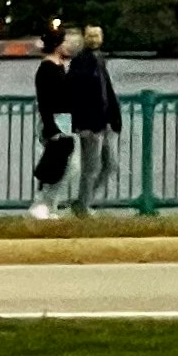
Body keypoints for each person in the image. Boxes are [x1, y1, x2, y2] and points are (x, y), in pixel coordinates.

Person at [66, 24, 124, 215]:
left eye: (97, 35)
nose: (94, 39)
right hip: (89, 123)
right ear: (85, 38)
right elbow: (77, 94)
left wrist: (114, 118)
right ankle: (83, 207)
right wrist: (82, 123)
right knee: (90, 168)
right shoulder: (80, 62)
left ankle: (84, 200)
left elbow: (106, 90)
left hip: (104, 121)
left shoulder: (99, 59)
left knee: (110, 164)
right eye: (91, 35)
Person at [28, 29, 78, 220]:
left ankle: (50, 205)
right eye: (65, 42)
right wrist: (50, 128)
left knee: (67, 165)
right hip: (55, 121)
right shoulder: (46, 69)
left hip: (65, 120)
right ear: (57, 46)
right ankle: (42, 204)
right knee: (56, 163)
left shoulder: (59, 66)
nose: (68, 46)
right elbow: (44, 101)